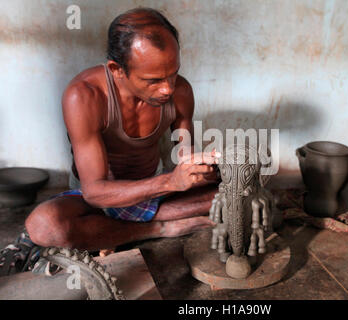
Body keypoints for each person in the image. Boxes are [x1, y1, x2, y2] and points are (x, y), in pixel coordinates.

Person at [0, 7, 219, 276]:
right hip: (95, 202)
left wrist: (203, 167)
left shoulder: (181, 92)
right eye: (153, 80)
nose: (168, 89)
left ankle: (113, 234)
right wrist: (170, 182)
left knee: (239, 182)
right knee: (45, 225)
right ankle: (158, 229)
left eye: (173, 74)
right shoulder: (84, 96)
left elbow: (186, 154)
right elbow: (94, 192)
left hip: (153, 193)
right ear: (117, 69)